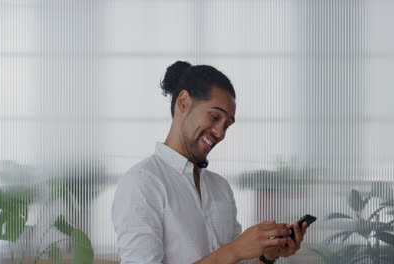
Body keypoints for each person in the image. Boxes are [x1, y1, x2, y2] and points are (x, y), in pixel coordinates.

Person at [111, 61, 309, 264]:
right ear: (183, 102)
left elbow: (233, 260)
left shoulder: (220, 187)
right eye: (214, 117)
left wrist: (267, 256)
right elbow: (231, 255)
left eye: (227, 126)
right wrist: (234, 250)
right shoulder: (142, 183)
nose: (220, 133)